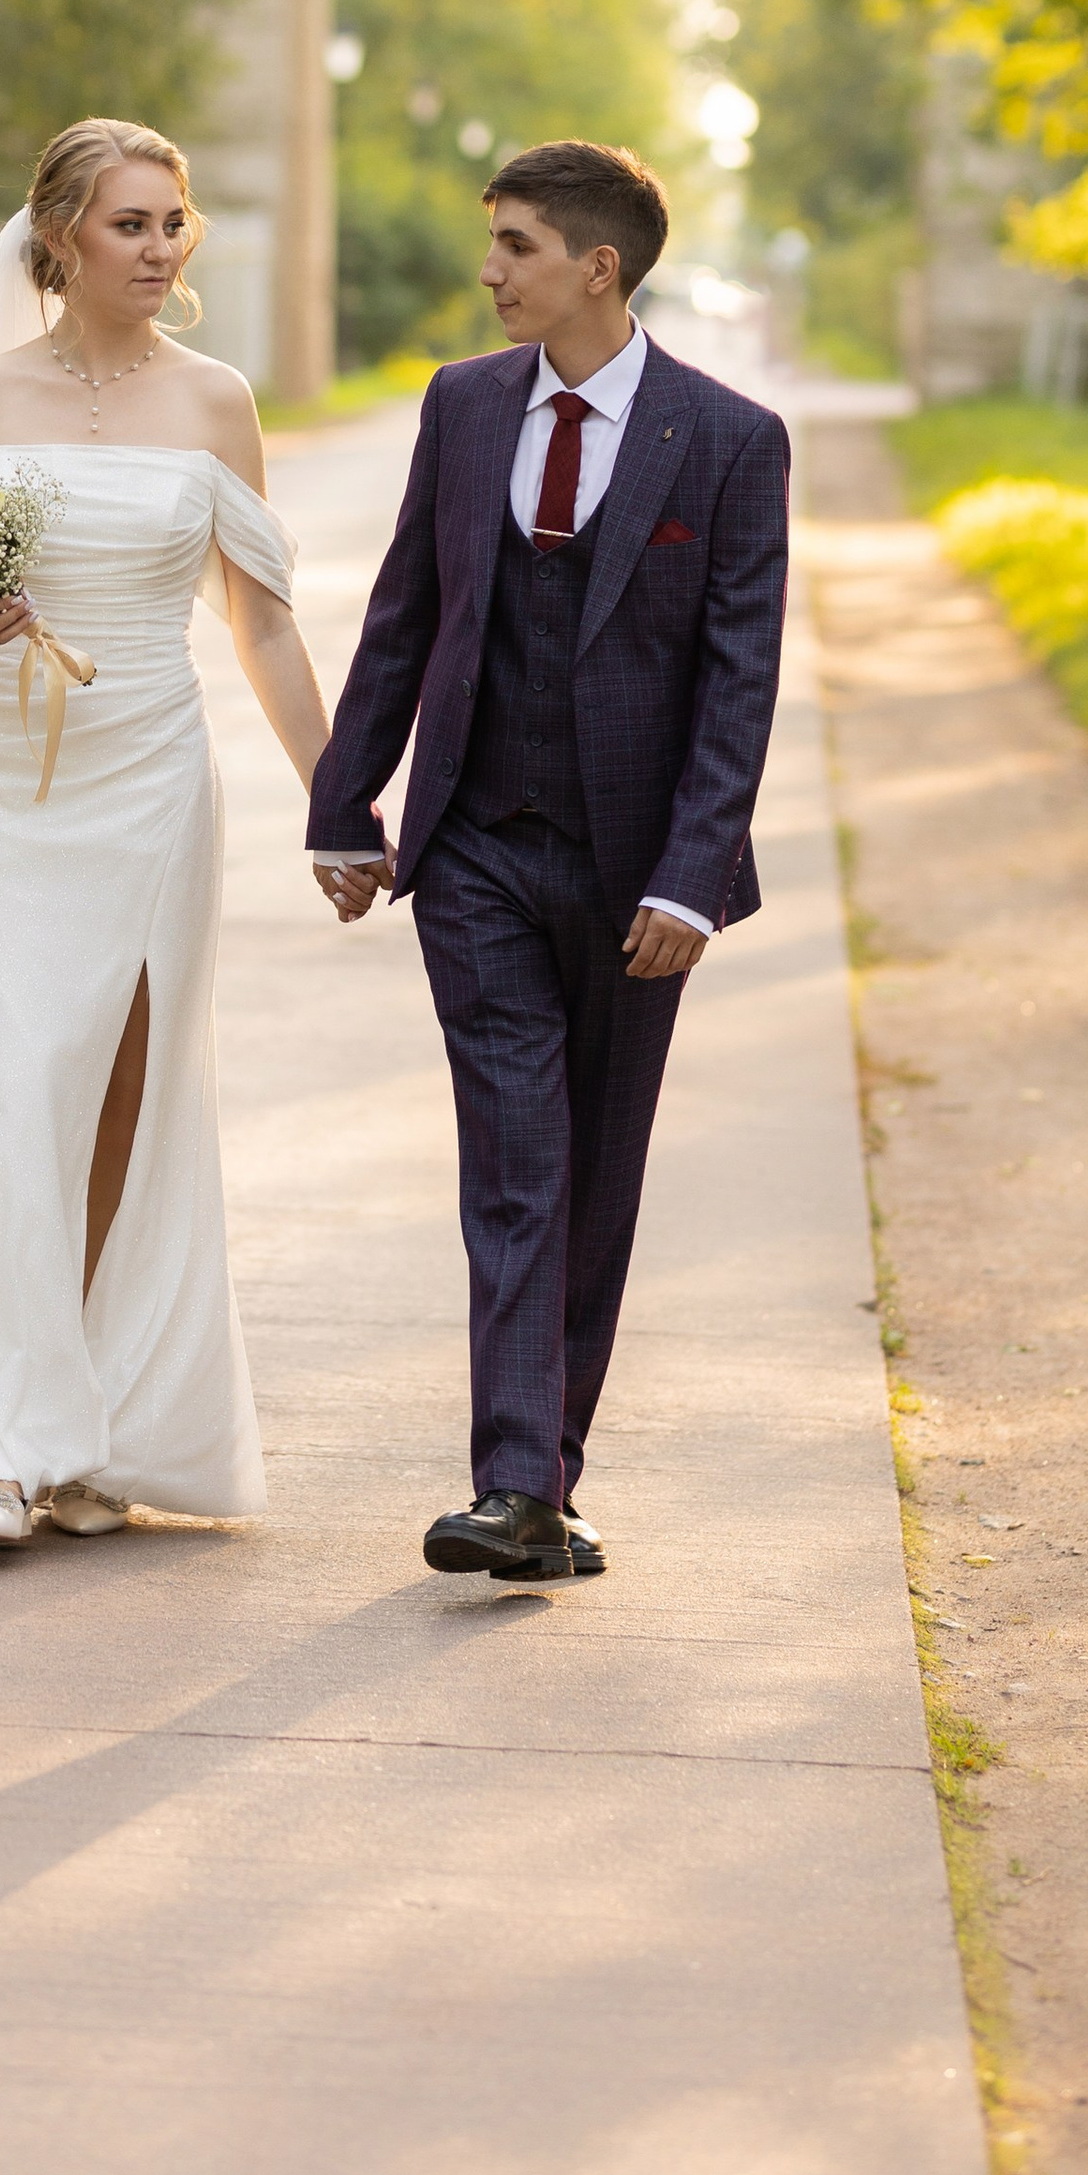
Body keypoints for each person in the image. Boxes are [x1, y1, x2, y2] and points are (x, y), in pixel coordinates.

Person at [307, 140, 788, 1584]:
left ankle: (548, 1480)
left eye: (515, 246)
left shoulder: (728, 438)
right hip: (476, 856)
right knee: (521, 1157)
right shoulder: (461, 409)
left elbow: (737, 675)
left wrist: (692, 875)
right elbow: (406, 614)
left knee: (600, 1168)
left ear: (599, 267)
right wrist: (347, 805)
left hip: (643, 876)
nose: (489, 271)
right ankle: (515, 1482)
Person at [0, 118, 336, 1550]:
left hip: (152, 774)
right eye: (132, 223)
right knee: (11, 1079)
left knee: (130, 1087)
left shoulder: (215, 401)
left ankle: (85, 1429)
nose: (161, 248)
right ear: (58, 235)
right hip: (11, 776)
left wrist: (343, 793)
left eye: (173, 222)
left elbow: (260, 618)